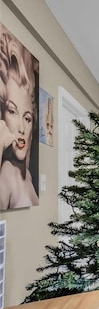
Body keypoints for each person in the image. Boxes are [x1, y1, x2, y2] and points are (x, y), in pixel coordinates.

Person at [0, 28, 39, 209]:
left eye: (28, 118)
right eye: (13, 112)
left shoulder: (27, 175)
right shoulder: (6, 174)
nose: (22, 128)